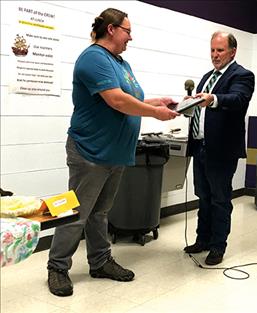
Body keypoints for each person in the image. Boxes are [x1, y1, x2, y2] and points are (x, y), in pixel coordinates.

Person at [47, 8, 179, 297]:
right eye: (128, 31)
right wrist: (155, 114)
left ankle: (100, 261)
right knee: (77, 213)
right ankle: (57, 267)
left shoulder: (121, 63)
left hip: (114, 152)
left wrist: (160, 102)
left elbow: (133, 98)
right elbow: (118, 101)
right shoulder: (94, 58)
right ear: (111, 29)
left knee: (100, 213)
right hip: (90, 151)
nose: (131, 37)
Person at [184, 31, 255, 265]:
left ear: (232, 51)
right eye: (212, 50)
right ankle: (202, 239)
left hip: (222, 150)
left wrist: (213, 99)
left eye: (220, 50)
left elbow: (238, 100)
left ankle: (217, 246)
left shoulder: (242, 75)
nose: (215, 55)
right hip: (201, 147)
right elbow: (201, 106)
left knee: (219, 199)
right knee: (202, 196)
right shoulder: (207, 76)